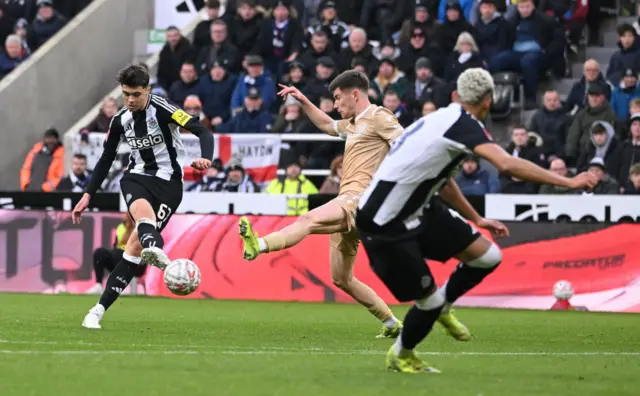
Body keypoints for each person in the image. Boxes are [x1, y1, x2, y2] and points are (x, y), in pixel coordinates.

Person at [355, 68, 598, 373]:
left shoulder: (441, 117)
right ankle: (401, 353)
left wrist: (476, 218)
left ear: (456, 95)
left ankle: (442, 303)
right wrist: (570, 182)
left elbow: (442, 181)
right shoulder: (464, 126)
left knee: (487, 256)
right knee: (426, 304)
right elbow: (507, 164)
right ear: (488, 101)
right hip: (383, 222)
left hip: (416, 208)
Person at [238, 70, 460, 340]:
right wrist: (302, 99)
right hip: (351, 201)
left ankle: (259, 245)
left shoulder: (379, 117)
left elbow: (407, 147)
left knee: (306, 220)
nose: (335, 105)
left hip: (360, 200)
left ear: (355, 94)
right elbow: (326, 125)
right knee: (341, 278)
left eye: (338, 98)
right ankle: (391, 322)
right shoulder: (354, 123)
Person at [73, 64, 214, 329]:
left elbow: (203, 131)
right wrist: (88, 194)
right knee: (141, 215)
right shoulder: (120, 120)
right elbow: (106, 158)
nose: (130, 100)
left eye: (135, 94)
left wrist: (207, 157)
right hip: (136, 177)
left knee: (134, 248)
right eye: (125, 94)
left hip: (170, 184)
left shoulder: (165, 110)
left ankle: (98, 309)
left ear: (147, 90)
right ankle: (154, 249)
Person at [86, 214, 147, 295]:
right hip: (119, 258)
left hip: (137, 263)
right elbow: (116, 245)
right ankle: (99, 285)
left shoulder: (142, 229)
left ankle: (117, 287)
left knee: (121, 254)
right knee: (100, 253)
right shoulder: (121, 227)